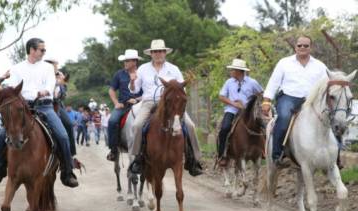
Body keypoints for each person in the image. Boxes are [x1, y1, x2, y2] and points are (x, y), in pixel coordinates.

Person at [0, 38, 78, 187]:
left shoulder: (48, 68)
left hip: (45, 107)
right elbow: (13, 89)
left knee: (62, 135)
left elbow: (50, 85)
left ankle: (67, 172)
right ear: (32, 50)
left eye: (44, 50)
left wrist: (41, 91)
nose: (44, 52)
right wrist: (34, 92)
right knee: (2, 134)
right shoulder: (16, 68)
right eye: (42, 50)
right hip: (23, 107)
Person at [129, 39, 203, 176]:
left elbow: (182, 89)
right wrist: (132, 81)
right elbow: (134, 91)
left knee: (190, 125)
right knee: (137, 125)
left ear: (165, 53)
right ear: (151, 54)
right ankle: (137, 159)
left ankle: (194, 160)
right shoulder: (142, 69)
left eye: (161, 51)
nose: (158, 54)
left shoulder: (173, 69)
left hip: (171, 105)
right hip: (149, 102)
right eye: (155, 52)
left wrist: (177, 99)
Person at [262, 35, 328, 167]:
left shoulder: (320, 66)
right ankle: (277, 155)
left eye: (306, 46)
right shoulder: (284, 63)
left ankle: (334, 157)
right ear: (295, 47)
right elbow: (273, 82)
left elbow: (327, 85)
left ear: (311, 47)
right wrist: (266, 101)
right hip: (288, 97)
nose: (302, 48)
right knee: (285, 117)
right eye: (299, 45)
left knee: (329, 119)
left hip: (311, 100)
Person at [217, 59, 263, 162]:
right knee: (224, 128)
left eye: (233, 70)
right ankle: (222, 155)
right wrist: (234, 104)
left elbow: (261, 94)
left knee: (262, 126)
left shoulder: (252, 82)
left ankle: (263, 150)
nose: (231, 72)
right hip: (231, 110)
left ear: (239, 71)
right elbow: (221, 96)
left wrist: (250, 104)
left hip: (249, 112)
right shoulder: (229, 82)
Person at [106, 49, 143, 161]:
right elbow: (111, 90)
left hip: (141, 104)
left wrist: (138, 99)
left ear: (135, 62)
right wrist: (116, 103)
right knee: (112, 121)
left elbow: (148, 90)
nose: (125, 63)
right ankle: (113, 150)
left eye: (127, 61)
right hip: (123, 105)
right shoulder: (119, 74)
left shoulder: (143, 73)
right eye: (125, 61)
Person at [45, 58, 77, 156]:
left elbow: (63, 94)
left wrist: (61, 84)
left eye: (56, 65)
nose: (56, 67)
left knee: (68, 124)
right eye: (54, 65)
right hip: (44, 104)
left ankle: (71, 154)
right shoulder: (43, 75)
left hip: (57, 104)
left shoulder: (59, 75)